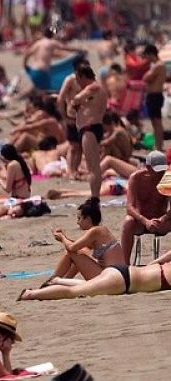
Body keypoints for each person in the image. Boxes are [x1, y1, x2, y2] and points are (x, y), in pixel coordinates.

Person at [46, 198, 125, 283]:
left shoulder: (95, 231)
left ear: (87, 219)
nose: (77, 222)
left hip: (111, 279)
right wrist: (64, 237)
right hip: (118, 276)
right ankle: (62, 281)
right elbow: (78, 246)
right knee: (80, 252)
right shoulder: (100, 231)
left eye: (79, 218)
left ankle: (51, 282)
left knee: (71, 253)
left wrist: (62, 238)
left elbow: (72, 248)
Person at [67, 61, 107, 200]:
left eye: (78, 79)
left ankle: (95, 197)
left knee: (93, 168)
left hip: (90, 129)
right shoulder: (94, 90)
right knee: (93, 167)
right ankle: (94, 196)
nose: (77, 83)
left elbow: (76, 99)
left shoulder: (93, 87)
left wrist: (76, 101)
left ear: (83, 76)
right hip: (90, 128)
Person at [119, 151, 170, 257]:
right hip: (140, 221)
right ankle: (125, 265)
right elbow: (129, 207)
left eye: (163, 170)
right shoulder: (136, 178)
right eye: (158, 171)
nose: (161, 174)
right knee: (128, 222)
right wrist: (145, 221)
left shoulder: (168, 178)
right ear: (148, 167)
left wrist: (163, 218)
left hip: (161, 222)